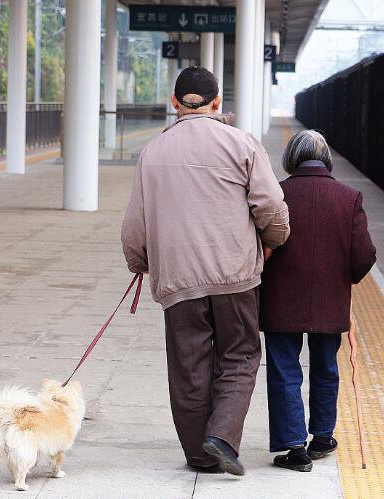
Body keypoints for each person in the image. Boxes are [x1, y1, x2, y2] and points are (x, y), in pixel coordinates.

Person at [121, 67, 290, 476]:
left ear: (174, 103)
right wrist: (274, 240)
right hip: (235, 273)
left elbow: (134, 225)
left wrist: (141, 263)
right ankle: (223, 437)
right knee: (240, 353)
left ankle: (199, 455)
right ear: (217, 104)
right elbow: (271, 207)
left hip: (178, 278)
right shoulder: (241, 143)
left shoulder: (152, 152)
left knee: (188, 365)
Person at [259, 130, 376, 472]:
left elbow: (258, 243)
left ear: (291, 159)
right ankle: (322, 437)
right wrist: (345, 279)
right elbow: (365, 254)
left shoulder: (277, 194)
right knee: (326, 369)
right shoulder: (349, 197)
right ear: (326, 160)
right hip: (330, 300)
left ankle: (295, 448)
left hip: (281, 300)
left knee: (284, 371)